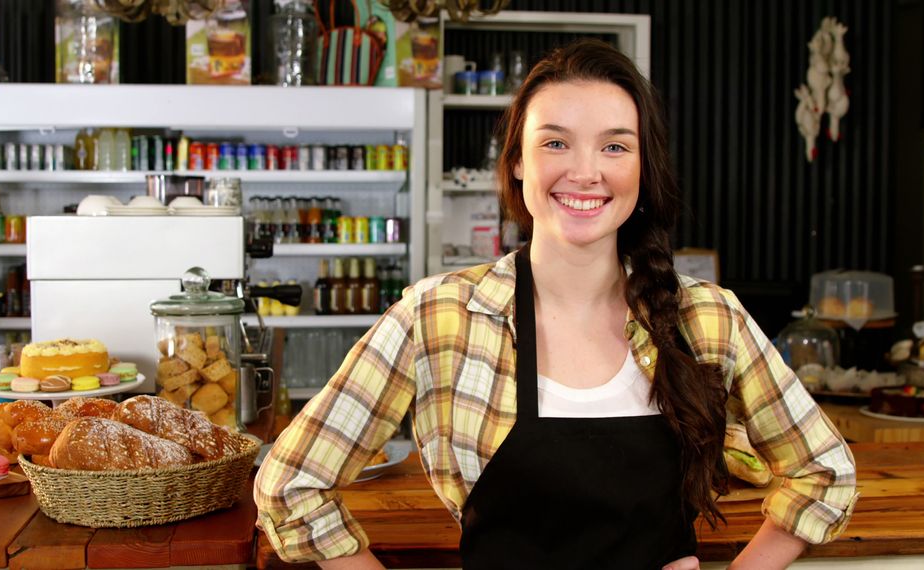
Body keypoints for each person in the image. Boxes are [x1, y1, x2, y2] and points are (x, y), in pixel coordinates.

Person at [255, 39, 857, 569]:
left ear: (644, 167)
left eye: (615, 147)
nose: (586, 171)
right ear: (518, 162)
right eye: (556, 142)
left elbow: (824, 474)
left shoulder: (707, 318)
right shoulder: (437, 318)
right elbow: (291, 484)